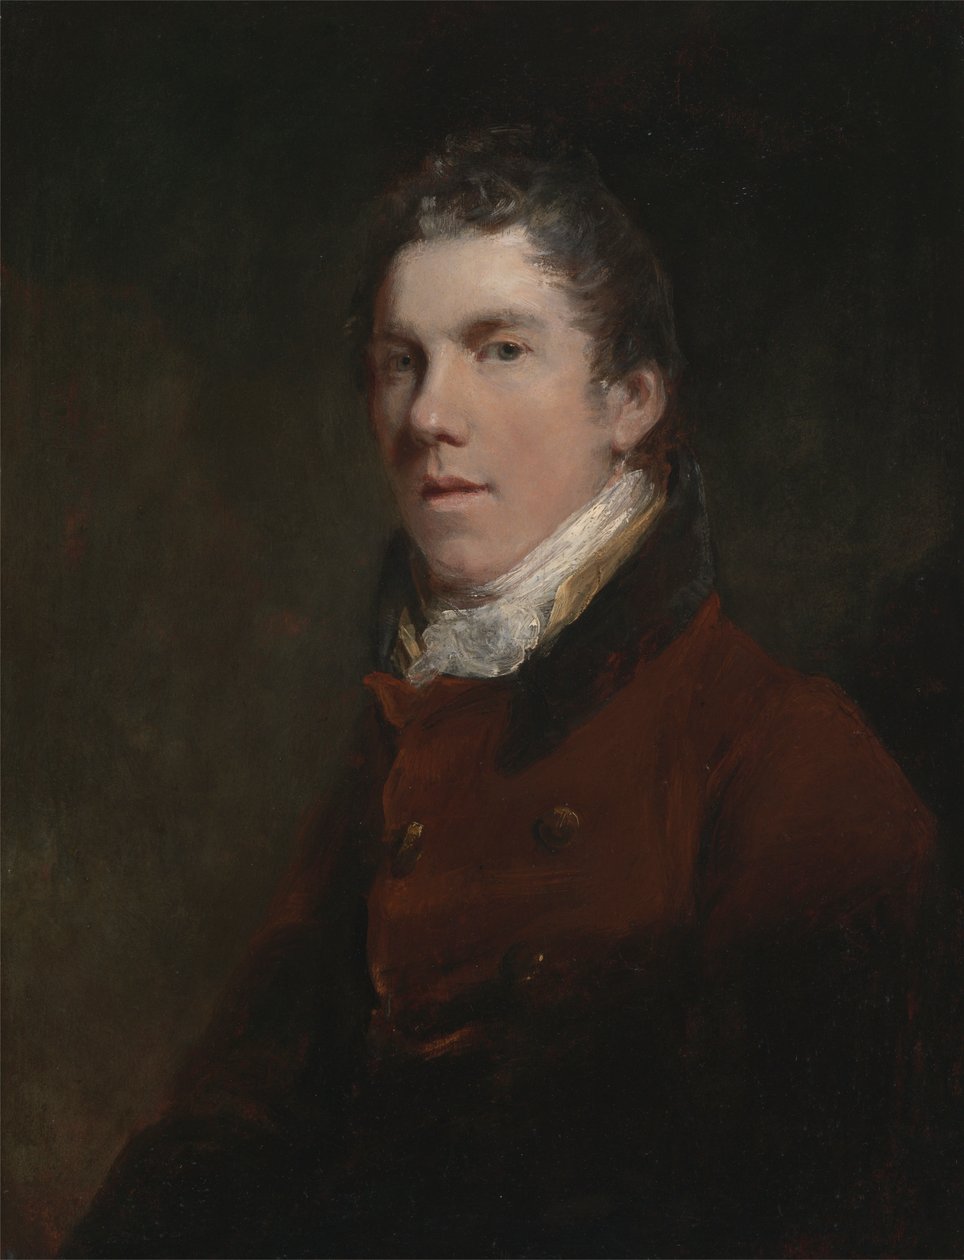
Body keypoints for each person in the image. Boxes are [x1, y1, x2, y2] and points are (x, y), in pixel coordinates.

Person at [63, 128, 936, 1259]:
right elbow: (230, 1127)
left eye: (501, 349)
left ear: (630, 401)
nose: (431, 413)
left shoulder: (787, 758)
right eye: (402, 361)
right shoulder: (405, 737)